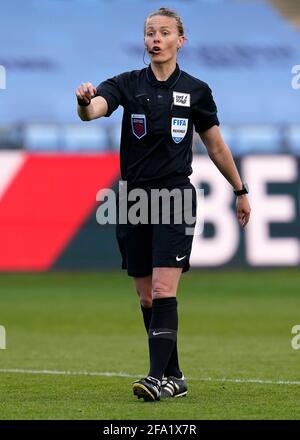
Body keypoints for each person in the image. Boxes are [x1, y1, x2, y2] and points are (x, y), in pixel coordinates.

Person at [76, 7, 251, 402]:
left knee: (163, 286)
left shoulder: (197, 90)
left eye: (164, 33)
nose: (155, 39)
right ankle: (175, 375)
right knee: (146, 296)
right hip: (134, 198)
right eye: (150, 32)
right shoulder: (125, 83)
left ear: (180, 41)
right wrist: (85, 102)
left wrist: (240, 190)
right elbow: (94, 111)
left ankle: (156, 378)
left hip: (174, 196)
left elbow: (216, 145)